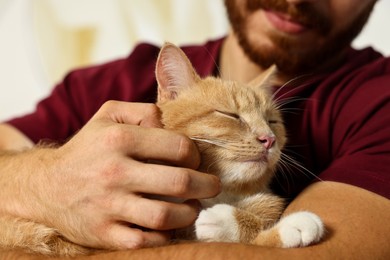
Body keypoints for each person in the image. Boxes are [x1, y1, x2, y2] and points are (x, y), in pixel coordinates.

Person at [1, 0, 389, 258]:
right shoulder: (107, 83)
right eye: (232, 117)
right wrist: (46, 181)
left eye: (272, 121)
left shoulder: (377, 100)